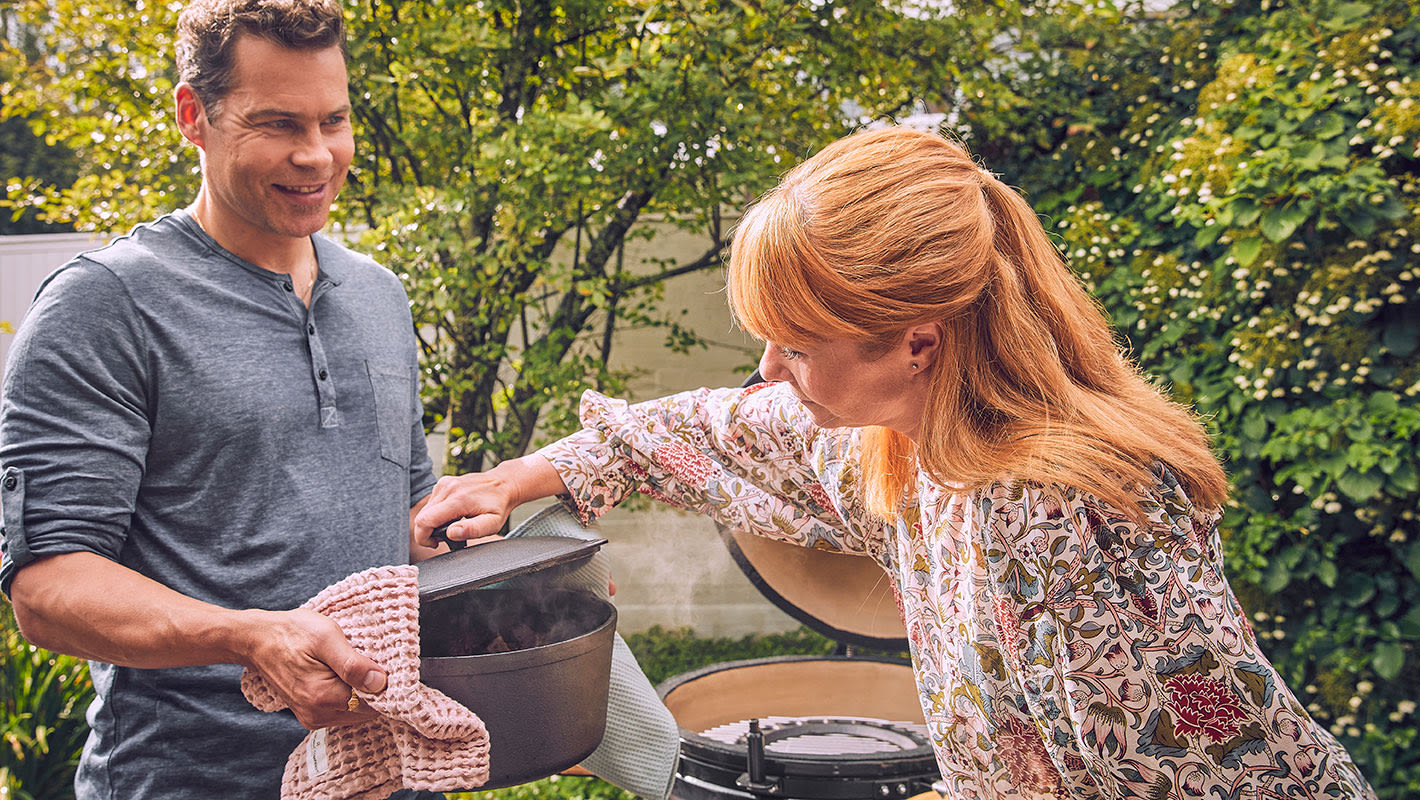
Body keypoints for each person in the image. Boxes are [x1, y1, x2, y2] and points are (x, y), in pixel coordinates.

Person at [413, 127, 1378, 798]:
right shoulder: (912, 452)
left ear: (917, 344)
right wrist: (528, 476)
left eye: (795, 345)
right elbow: (720, 426)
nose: (767, 372)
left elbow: (1190, 763)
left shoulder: (1058, 516)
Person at [0, 1, 445, 796]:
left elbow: (400, 526)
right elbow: (48, 587)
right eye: (277, 124)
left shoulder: (380, 297)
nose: (316, 156)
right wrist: (251, 638)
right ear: (192, 116)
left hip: (386, 774)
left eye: (333, 120)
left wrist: (523, 573)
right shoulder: (105, 305)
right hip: (186, 778)